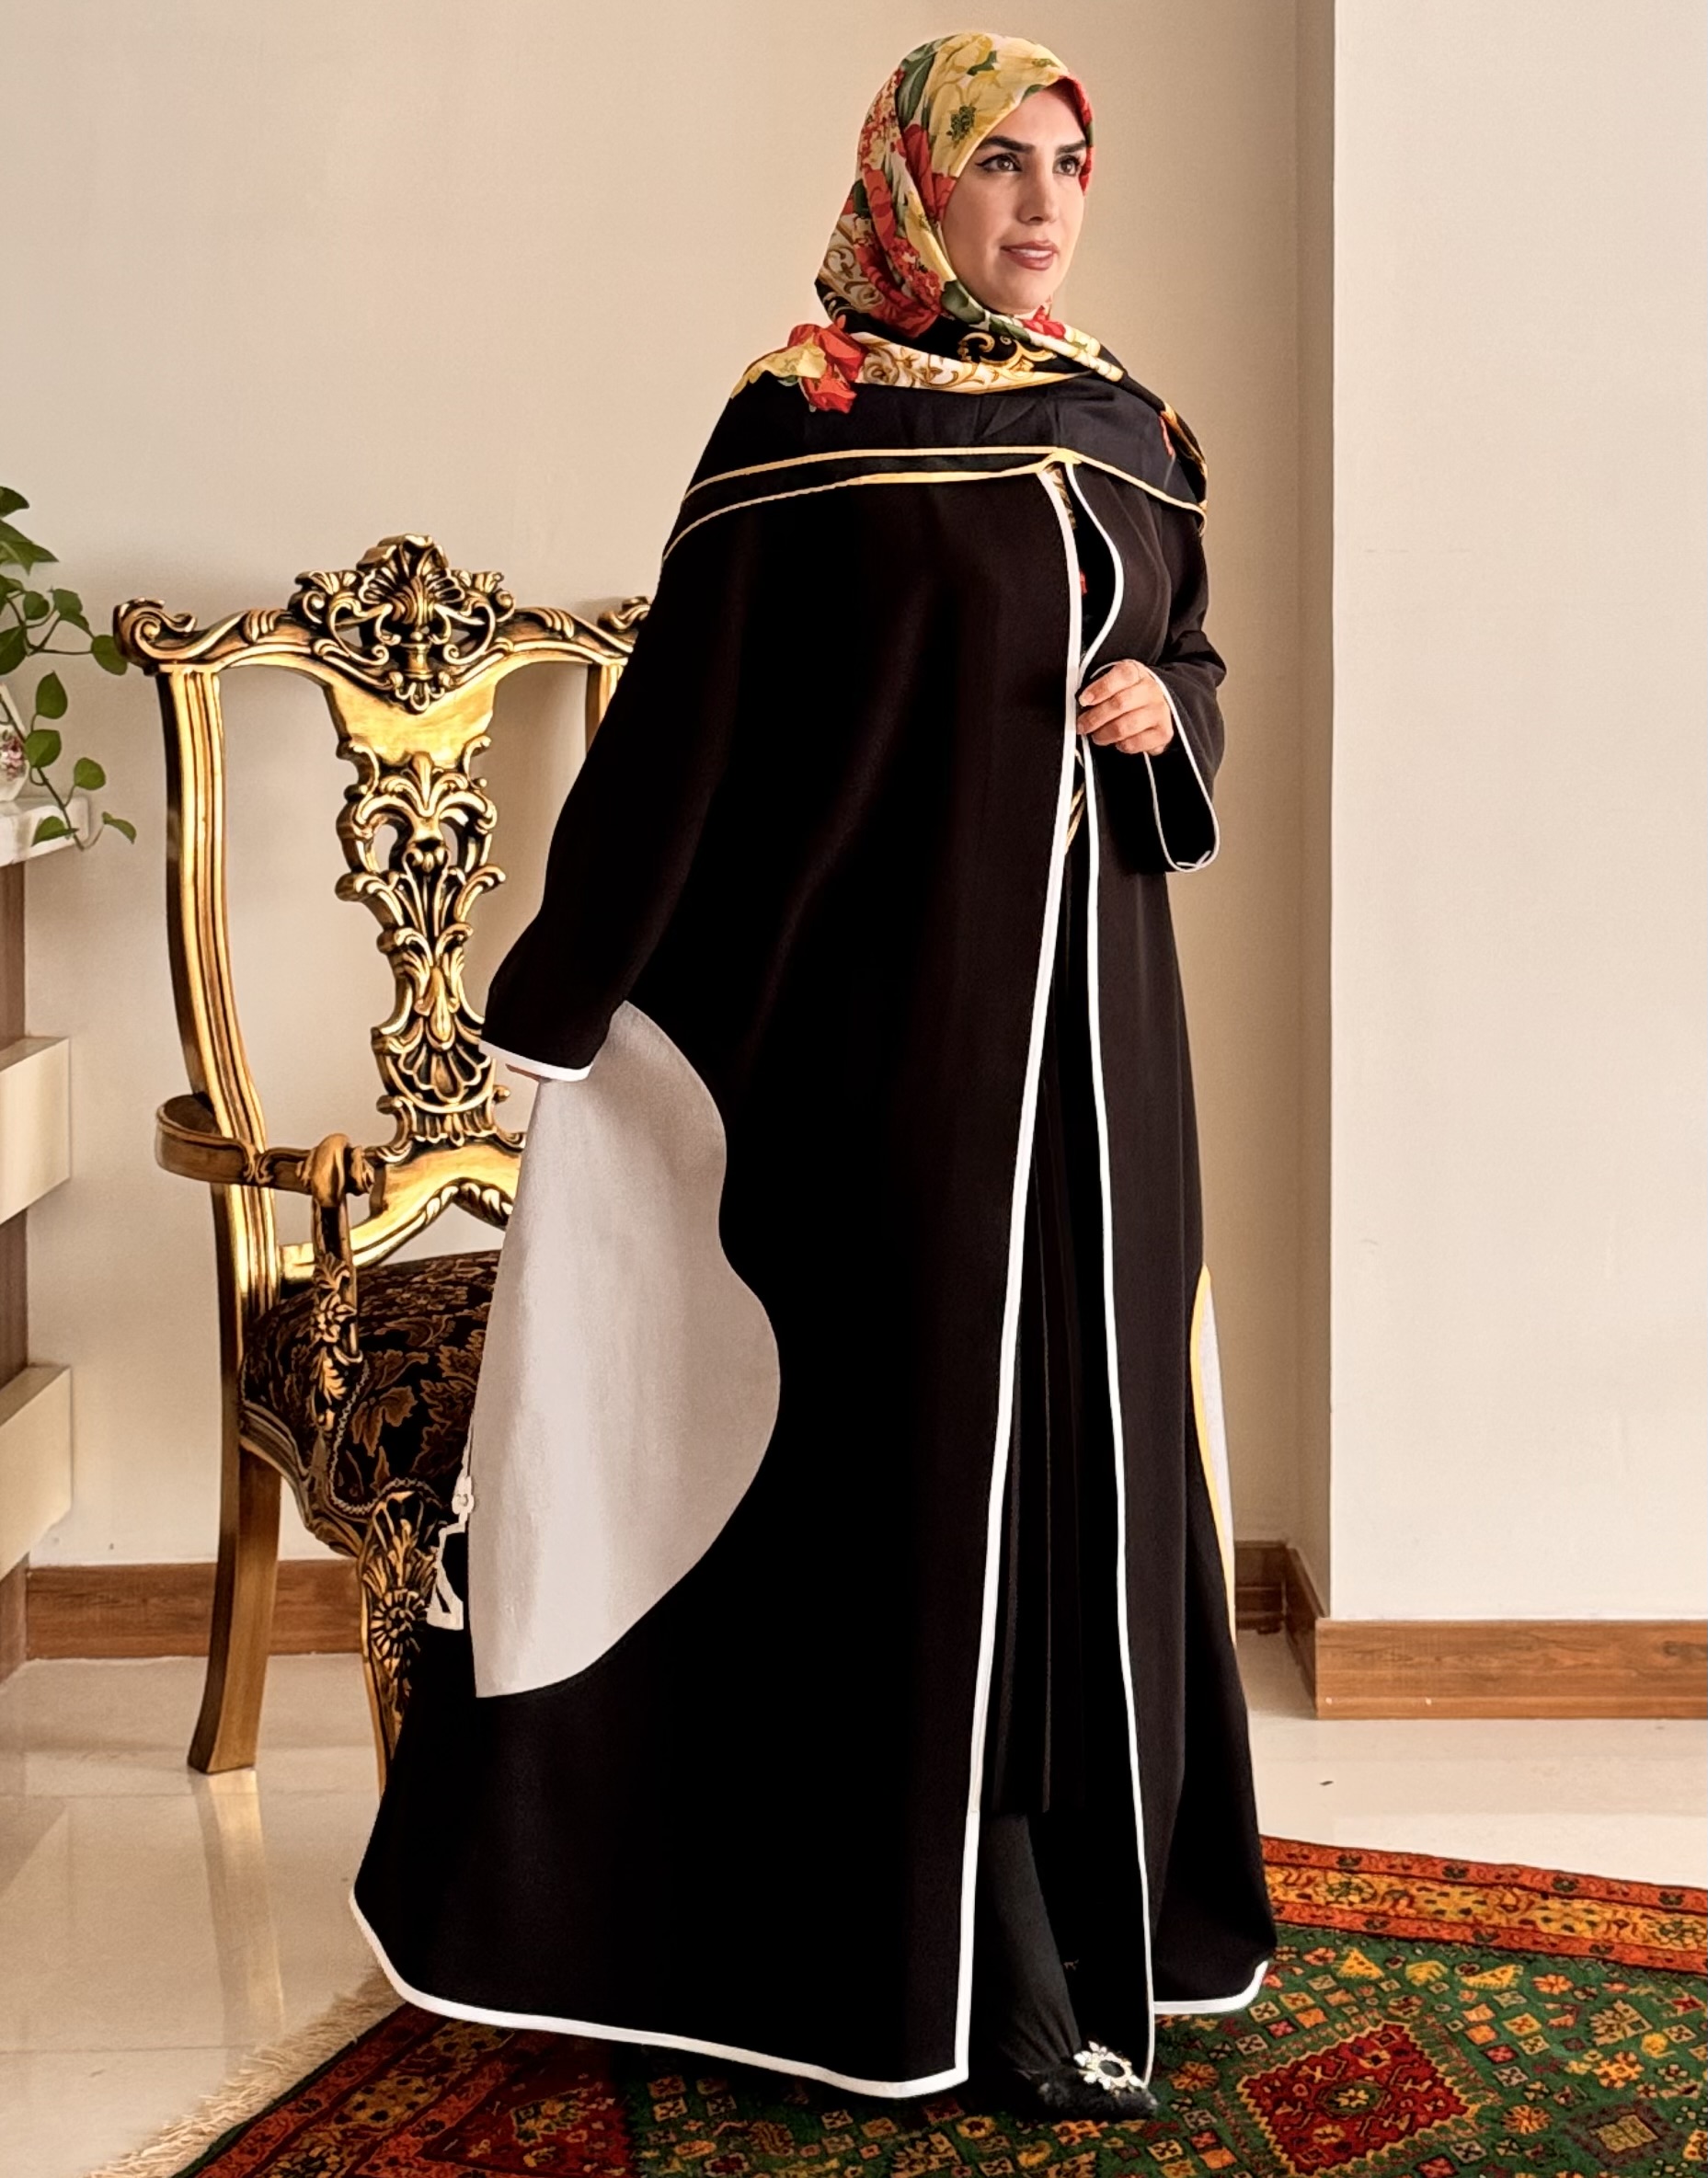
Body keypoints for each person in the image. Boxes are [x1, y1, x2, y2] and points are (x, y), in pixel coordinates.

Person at [353, 29, 1277, 2124]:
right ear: (910, 185)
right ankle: (950, 1954)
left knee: (1084, 1458)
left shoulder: (1131, 426)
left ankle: (1082, 1925)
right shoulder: (802, 421)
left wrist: (1167, 705)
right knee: (914, 1467)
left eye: (1066, 165)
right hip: (886, 1048)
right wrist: (566, 1006)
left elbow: (1190, 649)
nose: (1039, 205)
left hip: (1100, 1064)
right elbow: (684, 725)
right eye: (996, 165)